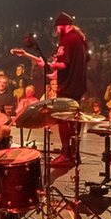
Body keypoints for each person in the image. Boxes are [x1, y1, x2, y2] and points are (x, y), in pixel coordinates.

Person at [37, 12, 88, 167]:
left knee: (62, 120)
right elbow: (71, 64)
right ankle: (74, 153)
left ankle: (66, 154)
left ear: (63, 25)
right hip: (77, 85)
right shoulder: (78, 38)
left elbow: (64, 64)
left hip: (68, 87)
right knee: (72, 120)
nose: (57, 31)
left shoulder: (67, 40)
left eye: (58, 27)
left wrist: (49, 64)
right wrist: (55, 73)